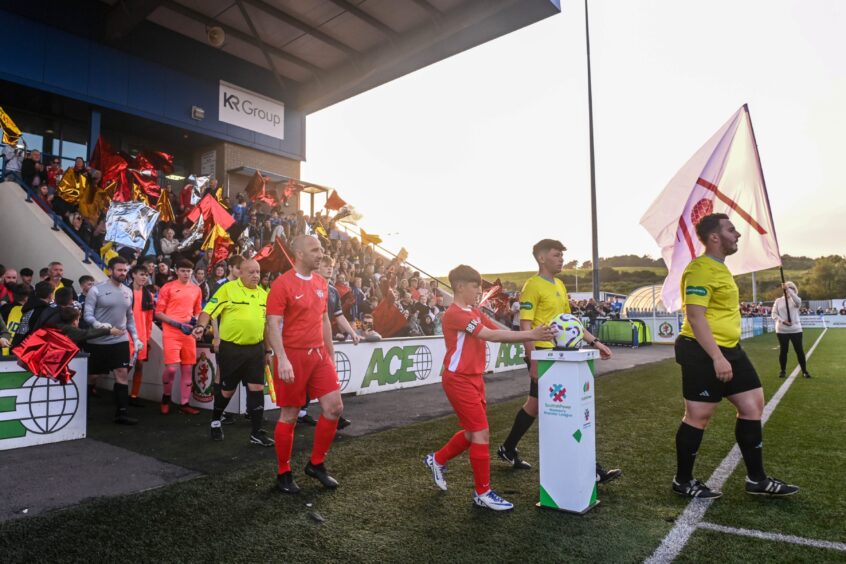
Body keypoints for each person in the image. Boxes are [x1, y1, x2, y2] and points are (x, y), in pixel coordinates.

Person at [671, 213, 799, 499]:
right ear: (714, 237)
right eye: (731, 230)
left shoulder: (721, 268)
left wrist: (726, 353)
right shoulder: (700, 269)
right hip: (702, 351)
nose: (738, 234)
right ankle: (683, 480)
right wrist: (717, 357)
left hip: (730, 349)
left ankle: (757, 479)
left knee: (753, 404)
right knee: (699, 414)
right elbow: (695, 315)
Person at [424, 265, 556, 511]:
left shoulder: (472, 311)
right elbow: (490, 336)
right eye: (475, 286)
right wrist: (531, 336)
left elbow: (498, 330)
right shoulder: (455, 314)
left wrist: (529, 337)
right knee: (481, 433)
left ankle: (437, 459)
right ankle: (482, 493)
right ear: (460, 286)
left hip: (474, 378)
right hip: (459, 380)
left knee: (471, 433)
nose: (479, 291)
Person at [498, 239, 622, 486]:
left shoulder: (561, 285)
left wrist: (595, 342)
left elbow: (570, 322)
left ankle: (507, 448)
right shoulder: (532, 286)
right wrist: (532, 359)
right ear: (542, 258)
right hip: (544, 356)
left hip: (562, 354)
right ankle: (592, 469)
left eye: (562, 256)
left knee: (534, 406)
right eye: (556, 255)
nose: (561, 259)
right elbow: (525, 325)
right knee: (565, 409)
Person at [265, 235, 344, 494]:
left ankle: (316, 464)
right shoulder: (282, 284)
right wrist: (282, 358)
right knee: (289, 415)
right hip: (293, 356)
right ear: (299, 254)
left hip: (318, 355)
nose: (320, 254)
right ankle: (283, 472)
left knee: (334, 408)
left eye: (321, 249)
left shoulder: (321, 283)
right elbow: (273, 324)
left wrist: (330, 356)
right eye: (315, 250)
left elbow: (324, 322)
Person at [193, 259, 274, 446]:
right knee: (227, 390)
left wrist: (268, 350)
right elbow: (208, 311)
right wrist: (200, 327)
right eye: (251, 272)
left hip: (255, 349)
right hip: (232, 349)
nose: (256, 276)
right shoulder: (227, 289)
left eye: (258, 272)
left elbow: (266, 327)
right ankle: (215, 421)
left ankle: (256, 432)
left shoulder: (264, 295)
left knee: (257, 388)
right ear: (241, 273)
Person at [84, 257, 143, 424]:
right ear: (110, 271)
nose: (122, 273)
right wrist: (99, 324)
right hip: (97, 341)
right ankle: (84, 411)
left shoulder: (128, 291)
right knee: (93, 377)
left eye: (125, 270)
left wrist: (136, 338)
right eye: (119, 270)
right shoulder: (96, 290)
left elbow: (129, 317)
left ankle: (122, 413)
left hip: (120, 340)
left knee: (122, 373)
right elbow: (87, 314)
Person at [155, 259, 203, 415]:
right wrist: (176, 324)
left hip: (188, 333)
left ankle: (184, 403)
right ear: (176, 271)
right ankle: (166, 397)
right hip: (171, 333)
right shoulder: (167, 287)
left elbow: (197, 310)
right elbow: (158, 313)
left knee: (188, 369)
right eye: (183, 270)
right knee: (171, 369)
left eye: (189, 271)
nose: (186, 274)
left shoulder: (196, 289)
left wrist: (195, 322)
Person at [128, 265, 155, 405]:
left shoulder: (148, 295)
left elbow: (149, 319)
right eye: (141, 274)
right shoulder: (125, 292)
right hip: (126, 335)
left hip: (142, 336)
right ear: (133, 275)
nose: (144, 277)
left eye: (146, 275)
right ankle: (119, 395)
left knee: (139, 366)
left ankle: (134, 396)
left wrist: (147, 336)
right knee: (125, 367)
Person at [772, 281, 810, 379]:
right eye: (787, 288)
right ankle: (783, 370)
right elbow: (774, 314)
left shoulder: (796, 300)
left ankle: (804, 371)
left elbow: (798, 302)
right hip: (781, 330)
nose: (789, 289)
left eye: (791, 288)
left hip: (795, 329)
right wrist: (783, 321)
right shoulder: (778, 301)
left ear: (794, 289)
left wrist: (788, 289)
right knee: (783, 351)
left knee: (799, 351)